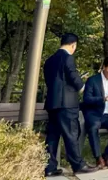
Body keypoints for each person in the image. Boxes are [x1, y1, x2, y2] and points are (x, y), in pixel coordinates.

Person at [43, 33, 96, 176]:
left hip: (52, 104)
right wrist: (83, 88)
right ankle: (78, 165)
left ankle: (49, 167)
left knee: (53, 136)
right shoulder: (68, 58)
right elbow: (73, 76)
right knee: (71, 134)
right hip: (66, 104)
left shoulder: (49, 61)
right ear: (73, 45)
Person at [81, 56, 108, 168]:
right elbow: (86, 99)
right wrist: (104, 98)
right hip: (94, 114)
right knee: (93, 127)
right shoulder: (92, 80)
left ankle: (106, 155)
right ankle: (98, 158)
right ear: (104, 67)